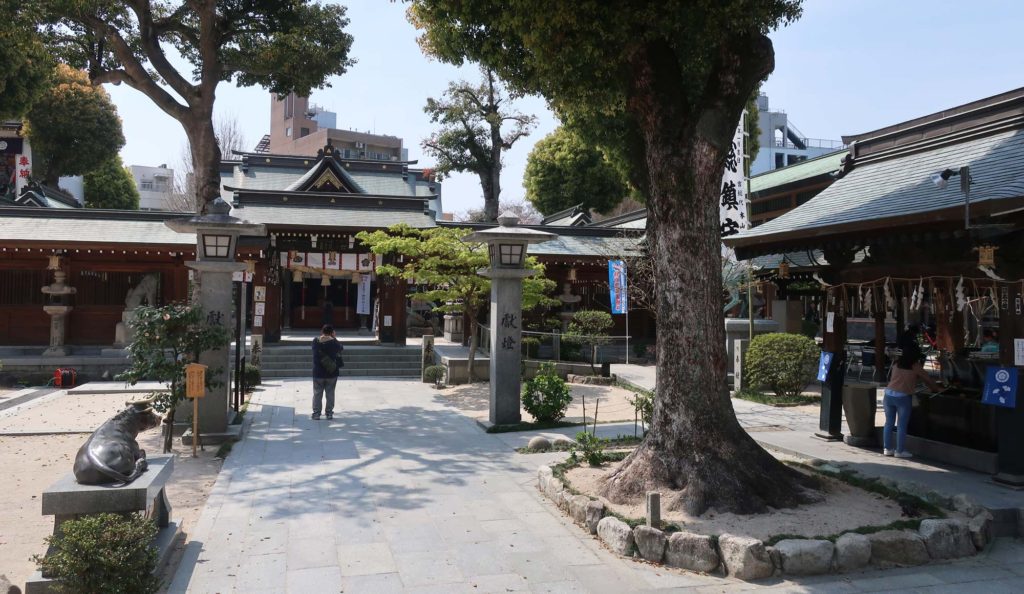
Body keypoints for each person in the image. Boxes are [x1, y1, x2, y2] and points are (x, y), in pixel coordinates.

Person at [883, 344, 941, 459]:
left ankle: (887, 449)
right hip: (903, 397)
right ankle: (900, 451)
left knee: (888, 423)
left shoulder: (897, 363)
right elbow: (928, 379)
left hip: (888, 394)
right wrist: (936, 389)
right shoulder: (915, 366)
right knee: (901, 425)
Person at [311, 324, 344, 420]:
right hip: (332, 372)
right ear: (332, 332)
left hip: (318, 372)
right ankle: (329, 413)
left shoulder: (315, 341)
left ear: (322, 331)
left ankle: (316, 413)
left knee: (317, 393)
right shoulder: (334, 343)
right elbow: (341, 348)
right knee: (330, 393)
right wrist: (334, 338)